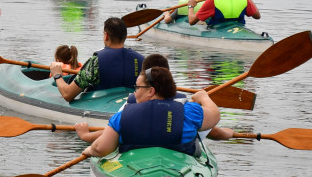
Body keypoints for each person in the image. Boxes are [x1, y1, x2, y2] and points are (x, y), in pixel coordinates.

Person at [75, 53, 234, 143]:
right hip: (177, 162)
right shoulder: (186, 107)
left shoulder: (128, 107)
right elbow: (214, 132)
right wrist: (230, 133)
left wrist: (86, 136)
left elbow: (111, 133)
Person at [79, 66, 221, 159]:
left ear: (151, 91)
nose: (134, 91)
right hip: (180, 167)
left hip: (137, 167)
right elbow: (215, 115)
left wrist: (90, 150)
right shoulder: (188, 111)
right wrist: (204, 97)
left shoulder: (123, 116)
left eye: (137, 87)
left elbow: (102, 149)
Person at [49, 17, 143, 102]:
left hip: (98, 105)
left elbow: (67, 94)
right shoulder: (141, 60)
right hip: (127, 105)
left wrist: (57, 75)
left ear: (106, 35)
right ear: (125, 37)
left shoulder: (96, 61)